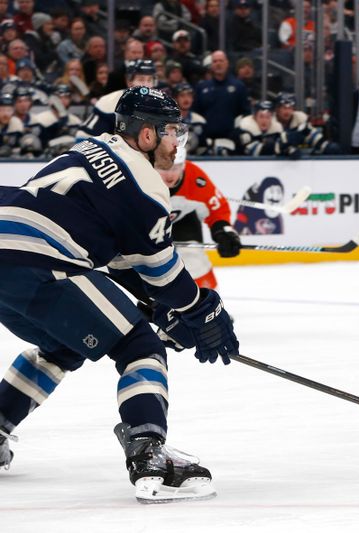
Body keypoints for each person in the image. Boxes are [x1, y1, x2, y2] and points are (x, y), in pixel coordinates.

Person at [0, 86, 239, 502]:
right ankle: (150, 455)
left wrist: (160, 308)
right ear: (146, 135)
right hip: (43, 262)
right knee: (139, 346)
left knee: (60, 346)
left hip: (10, 251)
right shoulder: (144, 184)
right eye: (170, 131)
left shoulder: (88, 149)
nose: (176, 141)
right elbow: (159, 270)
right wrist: (199, 308)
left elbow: (119, 262)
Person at [156, 146, 241, 289]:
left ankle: (211, 307)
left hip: (182, 221)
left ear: (184, 165)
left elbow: (218, 209)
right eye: (164, 168)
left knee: (193, 258)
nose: (170, 175)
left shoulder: (195, 177)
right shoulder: (137, 176)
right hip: (144, 226)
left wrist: (224, 232)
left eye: (175, 168)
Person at [77, 59, 156, 138]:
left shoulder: (161, 105)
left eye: (149, 80)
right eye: (141, 80)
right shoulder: (108, 102)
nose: (146, 85)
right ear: (129, 81)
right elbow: (84, 137)